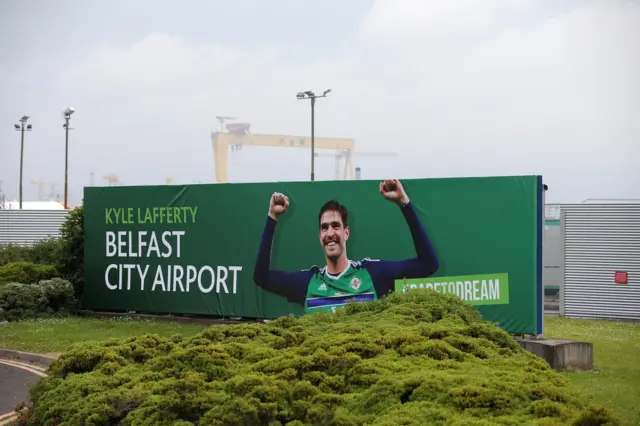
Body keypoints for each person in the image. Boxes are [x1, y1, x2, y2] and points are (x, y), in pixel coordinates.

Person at [253, 178, 439, 313]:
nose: (330, 233)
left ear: (346, 233)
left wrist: (404, 203)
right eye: (324, 228)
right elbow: (261, 277)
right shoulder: (307, 282)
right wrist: (272, 218)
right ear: (320, 236)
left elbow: (428, 264)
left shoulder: (373, 274)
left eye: (336, 226)